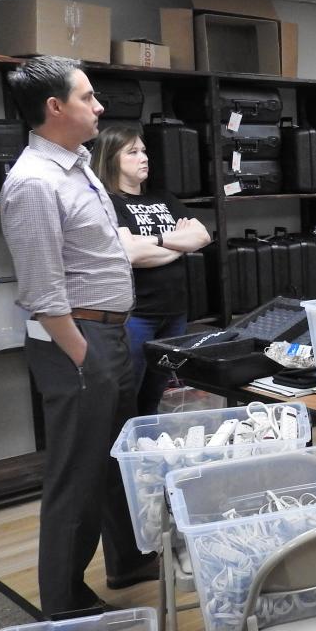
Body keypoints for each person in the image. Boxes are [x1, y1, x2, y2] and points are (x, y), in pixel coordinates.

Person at [0, 56, 157, 616]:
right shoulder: (34, 184)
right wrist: (84, 357)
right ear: (55, 107)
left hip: (105, 336)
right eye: (88, 97)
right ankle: (62, 601)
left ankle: (128, 559)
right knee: (77, 474)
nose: (99, 107)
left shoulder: (77, 164)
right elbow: (44, 292)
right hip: (77, 343)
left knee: (115, 459)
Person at [91, 126, 211, 416]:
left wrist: (154, 240)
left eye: (143, 151)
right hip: (137, 316)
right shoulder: (108, 202)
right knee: (127, 393)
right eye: (132, 152)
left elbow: (203, 236)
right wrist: (179, 244)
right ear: (111, 159)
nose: (143, 157)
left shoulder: (164, 198)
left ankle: (146, 454)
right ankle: (116, 459)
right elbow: (130, 253)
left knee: (156, 391)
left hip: (174, 315)